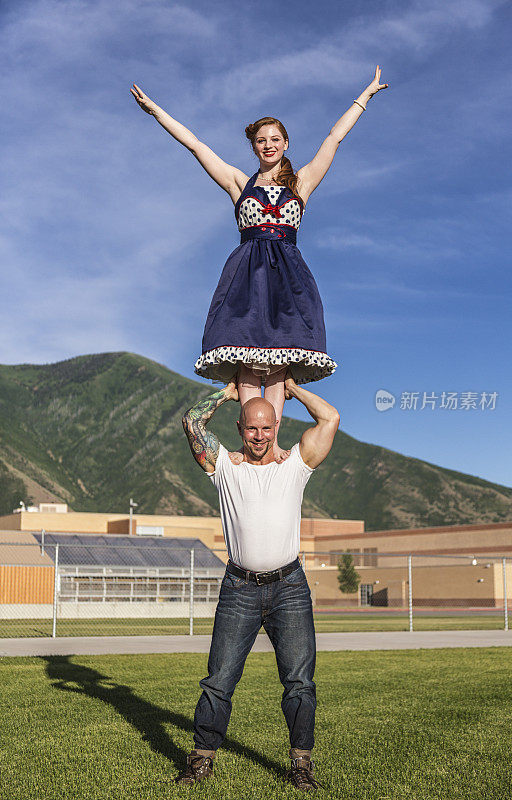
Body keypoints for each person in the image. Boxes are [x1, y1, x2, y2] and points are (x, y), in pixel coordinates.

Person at [130, 67, 388, 462]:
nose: (268, 145)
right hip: (246, 277)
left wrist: (365, 96)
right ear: (254, 147)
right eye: (260, 141)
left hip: (289, 280)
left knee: (281, 364)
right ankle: (246, 445)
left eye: (274, 139)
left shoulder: (301, 183)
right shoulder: (238, 183)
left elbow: (334, 138)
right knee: (248, 361)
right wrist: (156, 112)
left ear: (285, 143)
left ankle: (276, 444)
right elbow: (196, 145)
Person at [179, 371, 340, 791]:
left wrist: (291, 389)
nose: (258, 435)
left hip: (290, 588)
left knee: (299, 682)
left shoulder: (295, 466)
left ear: (277, 426)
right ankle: (201, 760)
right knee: (219, 679)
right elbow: (192, 423)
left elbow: (330, 419)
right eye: (251, 427)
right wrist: (227, 393)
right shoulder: (226, 469)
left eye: (266, 427)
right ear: (240, 427)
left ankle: (301, 765)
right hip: (239, 589)